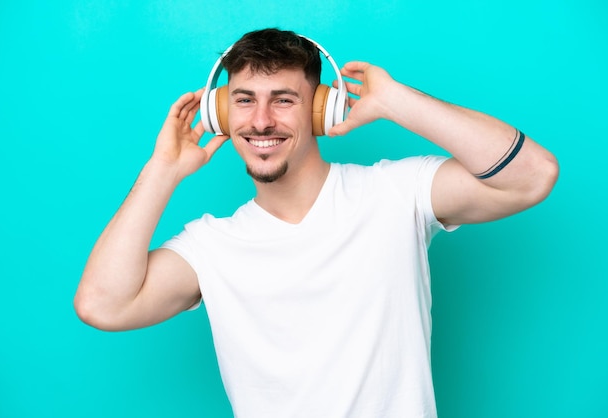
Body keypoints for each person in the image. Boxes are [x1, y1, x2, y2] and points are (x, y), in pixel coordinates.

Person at [74, 28, 558, 418]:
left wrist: (396, 101)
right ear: (220, 114)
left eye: (283, 99)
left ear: (320, 108)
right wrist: (162, 171)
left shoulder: (396, 193)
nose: (260, 121)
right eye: (243, 100)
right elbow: (102, 305)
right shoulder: (211, 247)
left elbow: (532, 176)